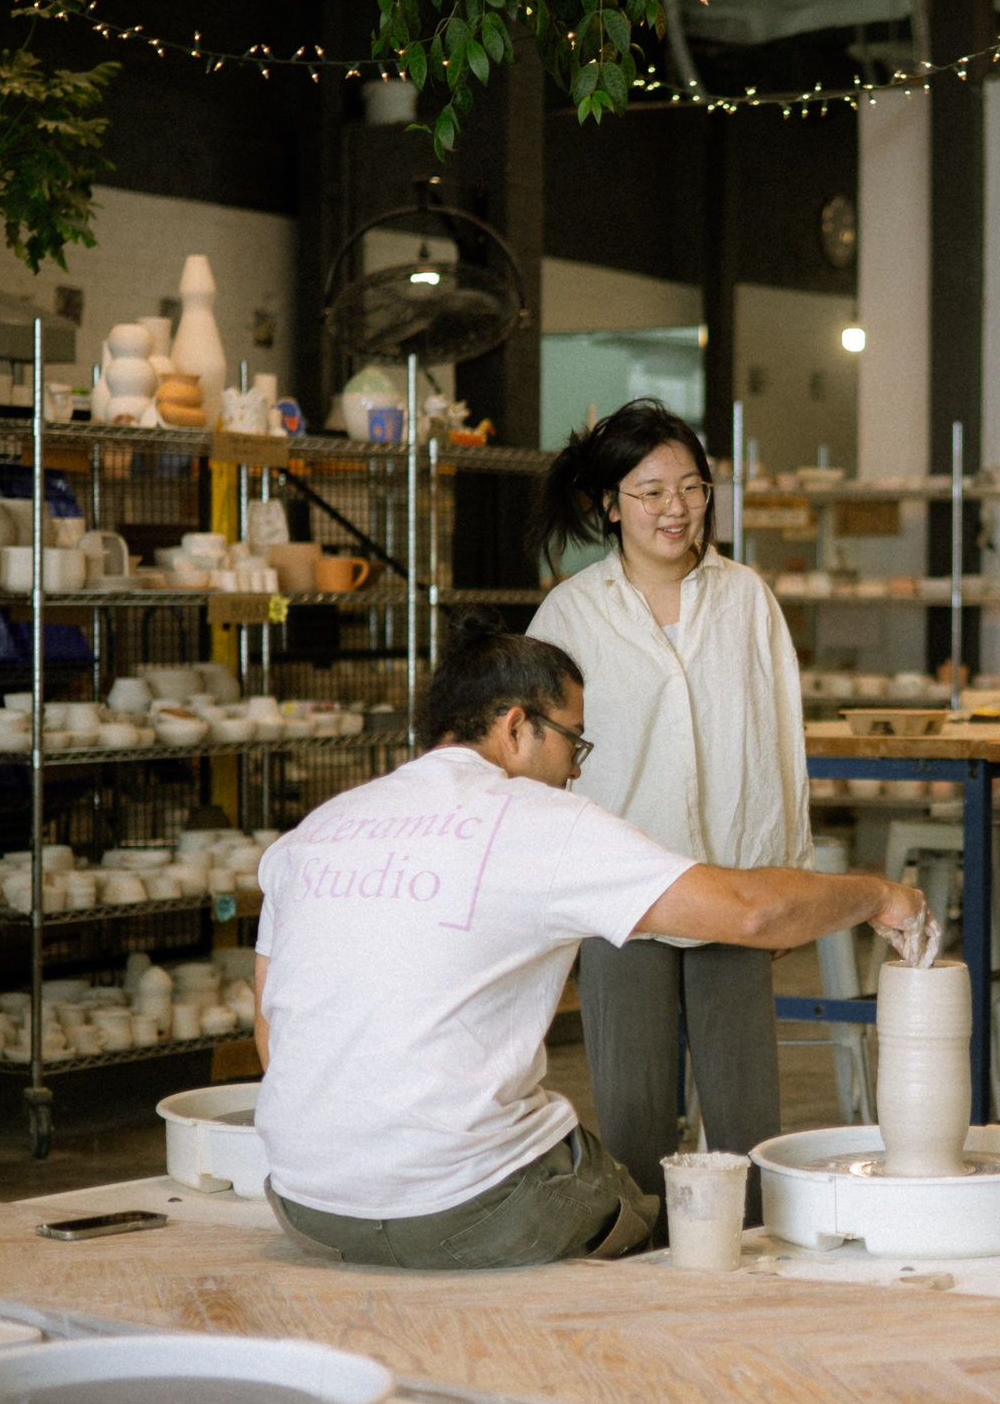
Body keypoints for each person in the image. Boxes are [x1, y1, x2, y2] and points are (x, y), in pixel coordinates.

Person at [251, 627, 925, 1269]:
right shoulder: (539, 822)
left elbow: (271, 1032)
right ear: (517, 727)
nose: (575, 769)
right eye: (573, 741)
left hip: (306, 1201)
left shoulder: (316, 831)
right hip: (465, 1205)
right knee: (643, 1212)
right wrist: (877, 895)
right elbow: (752, 913)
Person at [525, 400, 812, 1209]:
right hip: (622, 892)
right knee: (634, 1121)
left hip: (732, 883)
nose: (675, 508)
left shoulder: (746, 597)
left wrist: (787, 882)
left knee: (747, 1119)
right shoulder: (571, 613)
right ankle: (642, 1254)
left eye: (690, 487)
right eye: (650, 492)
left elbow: (783, 740)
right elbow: (537, 761)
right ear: (611, 504)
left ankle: (747, 1251)